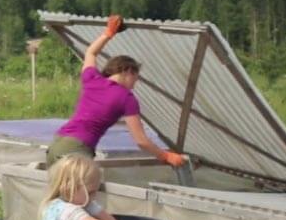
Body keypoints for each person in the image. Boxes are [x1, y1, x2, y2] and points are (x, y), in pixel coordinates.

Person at [46, 14, 186, 169]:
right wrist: (166, 155)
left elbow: (90, 53)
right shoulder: (126, 98)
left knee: (61, 191)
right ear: (127, 71)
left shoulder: (92, 78)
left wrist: (108, 33)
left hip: (57, 144)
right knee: (86, 191)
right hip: (76, 149)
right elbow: (141, 140)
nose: (134, 84)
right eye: (135, 78)